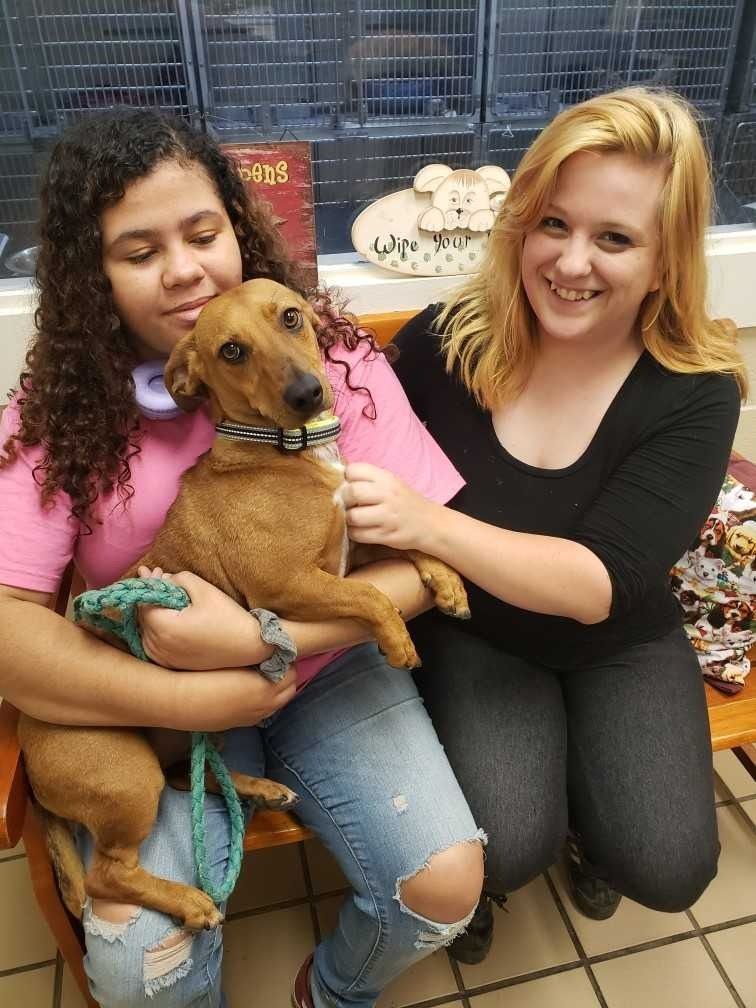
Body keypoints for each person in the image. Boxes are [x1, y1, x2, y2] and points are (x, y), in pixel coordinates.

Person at [0, 108, 485, 1008]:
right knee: (143, 973)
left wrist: (267, 639)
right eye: (138, 252)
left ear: (240, 226)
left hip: (330, 671)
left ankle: (331, 994)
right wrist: (196, 693)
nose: (184, 268)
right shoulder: (53, 423)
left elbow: (425, 553)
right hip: (143, 695)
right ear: (90, 276)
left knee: (444, 887)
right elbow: (7, 630)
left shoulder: (329, 357)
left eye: (202, 232)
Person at [341, 87, 746, 963]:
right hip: (477, 632)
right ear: (519, 224)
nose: (571, 262)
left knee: (669, 867)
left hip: (616, 639)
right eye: (553, 224)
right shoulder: (448, 338)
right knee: (508, 843)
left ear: (666, 258)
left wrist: (430, 526)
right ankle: (494, 879)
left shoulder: (698, 390)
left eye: (615, 238)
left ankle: (591, 833)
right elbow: (345, 418)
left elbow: (599, 587)